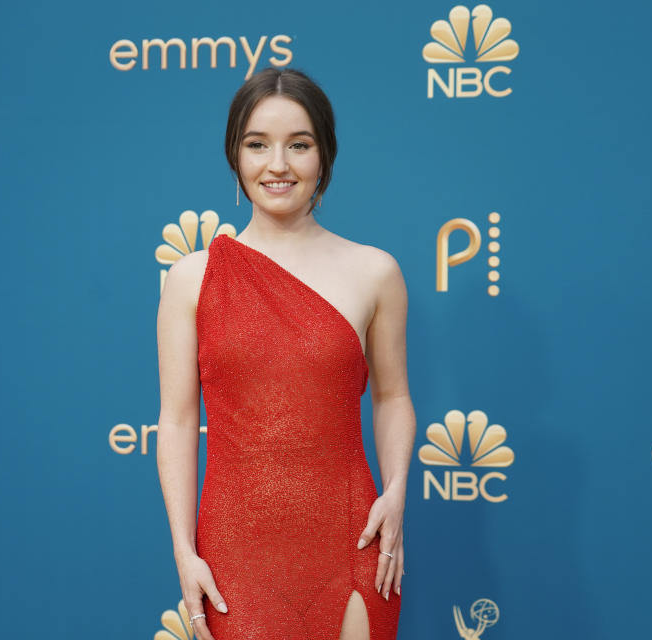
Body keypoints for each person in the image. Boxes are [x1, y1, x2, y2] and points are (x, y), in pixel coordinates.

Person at [156, 67, 416, 640]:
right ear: (234, 155)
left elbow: (394, 396)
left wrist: (395, 492)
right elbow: (176, 420)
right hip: (233, 552)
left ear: (324, 155)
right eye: (257, 145)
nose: (278, 165)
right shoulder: (190, 279)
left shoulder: (375, 272)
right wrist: (183, 548)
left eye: (299, 145)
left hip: (352, 539)